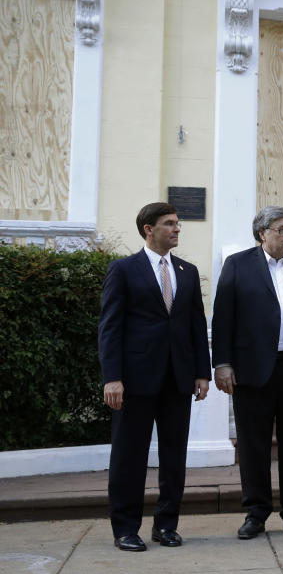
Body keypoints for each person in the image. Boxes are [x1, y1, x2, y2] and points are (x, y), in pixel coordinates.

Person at [212, 206, 283, 539]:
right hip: (252, 370)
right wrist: (222, 363)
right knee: (253, 446)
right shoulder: (238, 265)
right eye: (282, 229)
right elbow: (223, 318)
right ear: (262, 233)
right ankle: (255, 513)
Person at [98, 202, 211, 551]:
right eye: (169, 224)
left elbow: (195, 325)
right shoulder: (123, 270)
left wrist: (201, 373)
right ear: (148, 229)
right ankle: (126, 529)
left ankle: (166, 525)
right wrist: (112, 377)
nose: (177, 229)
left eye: (178, 224)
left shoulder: (187, 271)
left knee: (174, 456)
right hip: (134, 381)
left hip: (178, 379)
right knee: (129, 456)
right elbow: (110, 328)